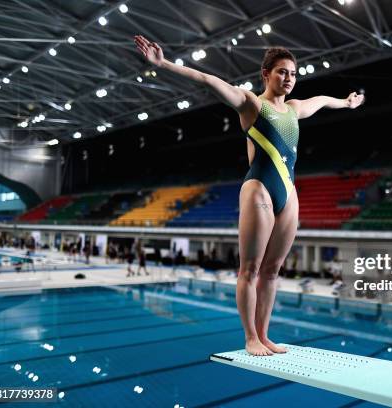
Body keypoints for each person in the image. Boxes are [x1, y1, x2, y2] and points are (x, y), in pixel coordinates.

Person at [135, 36, 364, 356]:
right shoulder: (251, 104)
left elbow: (323, 99)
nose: (289, 78)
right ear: (266, 74)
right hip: (258, 187)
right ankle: (250, 337)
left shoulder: (295, 109)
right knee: (251, 268)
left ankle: (265, 334)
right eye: (282, 72)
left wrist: (347, 102)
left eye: (294, 74)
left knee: (273, 270)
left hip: (289, 193)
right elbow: (206, 79)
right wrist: (163, 64)